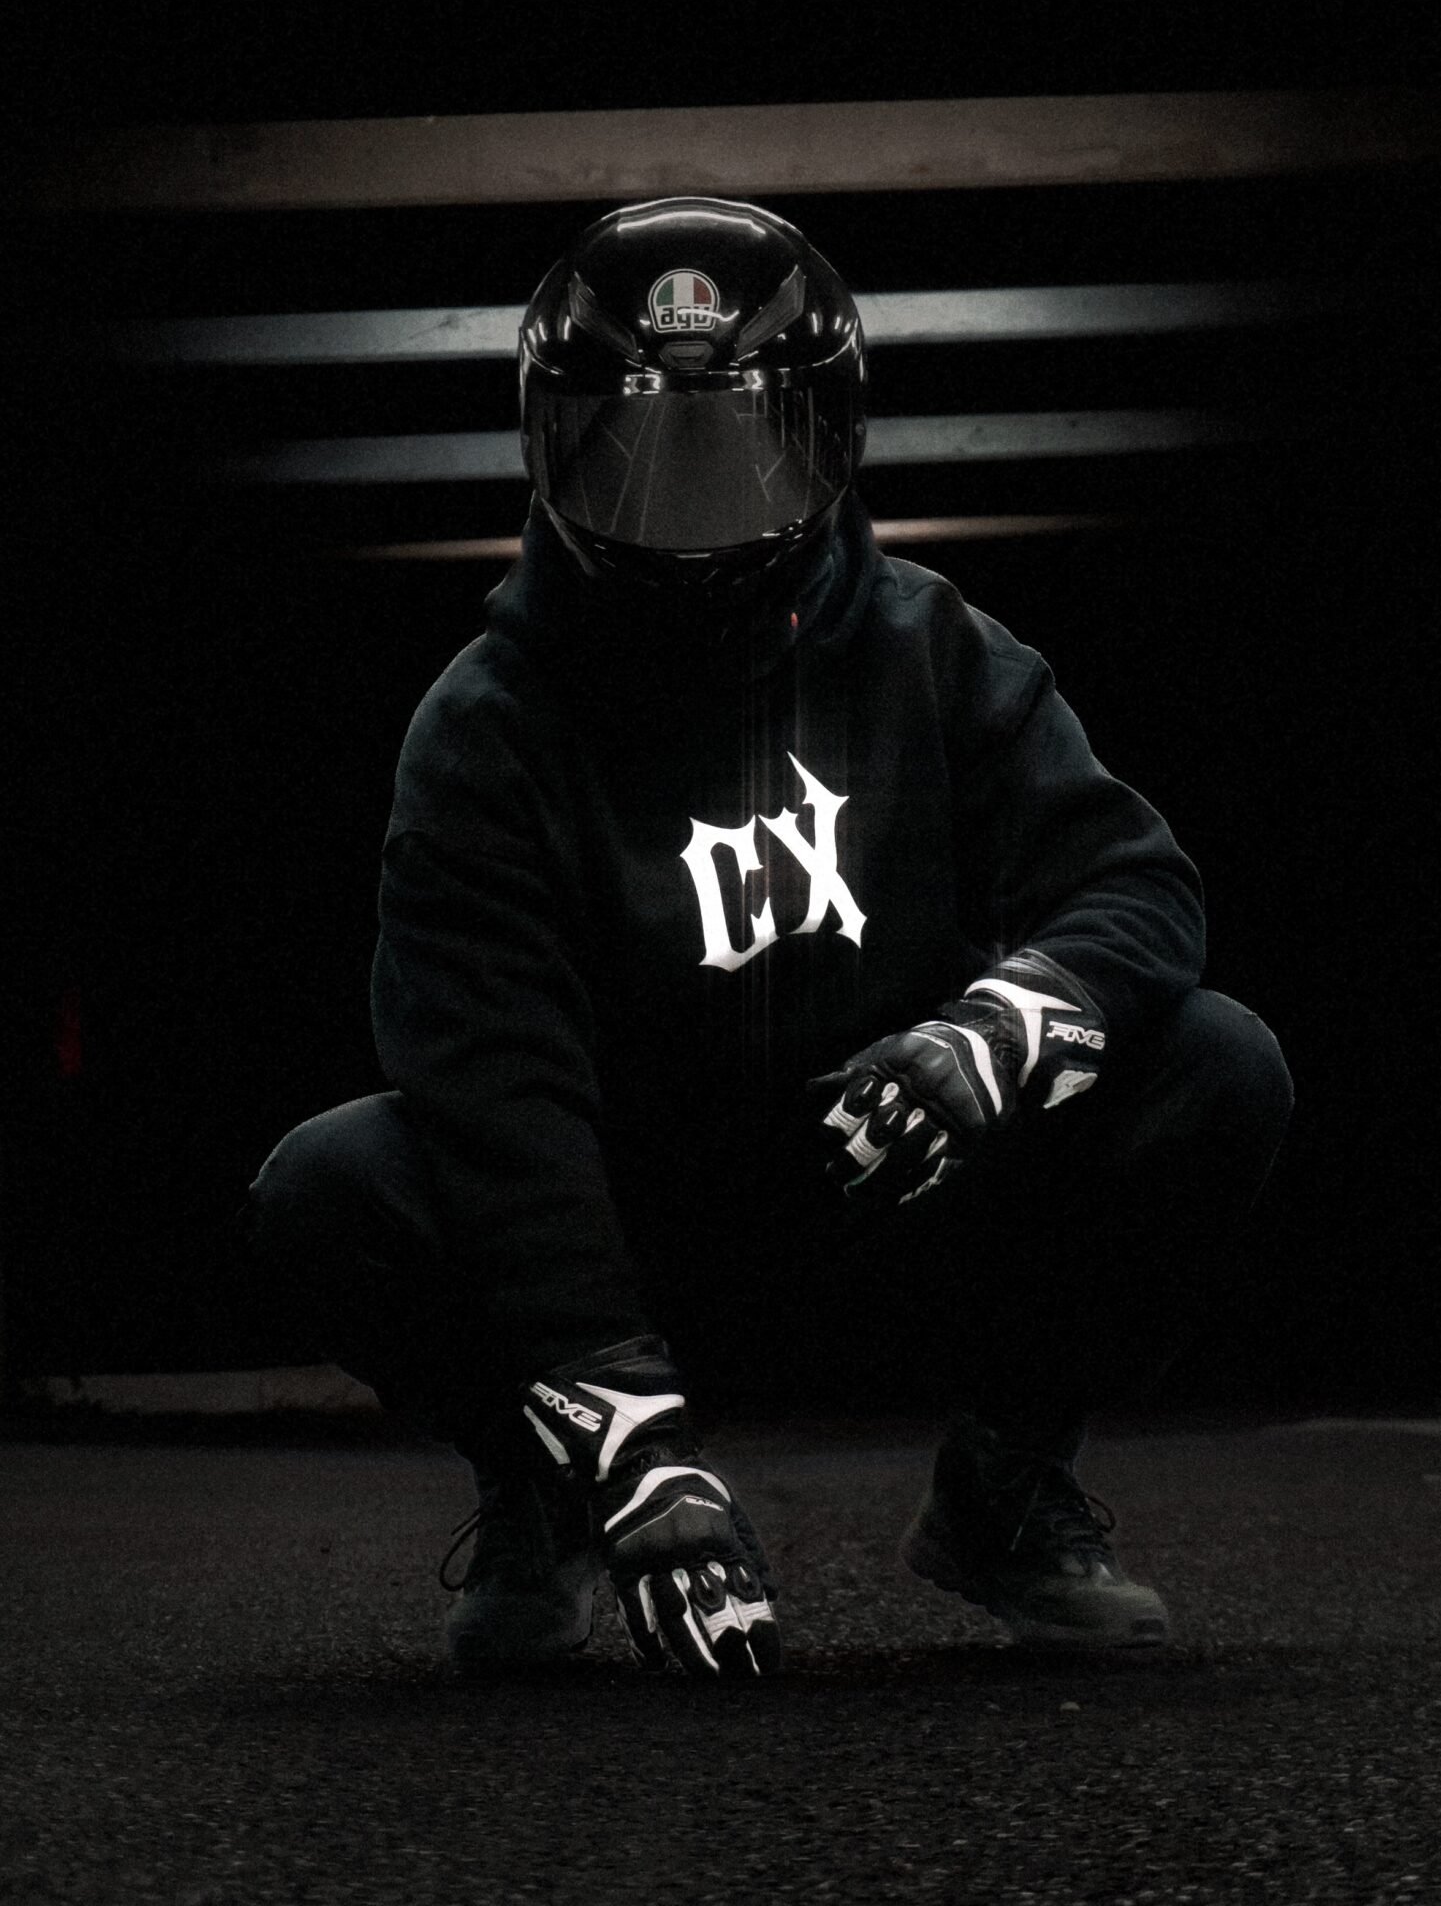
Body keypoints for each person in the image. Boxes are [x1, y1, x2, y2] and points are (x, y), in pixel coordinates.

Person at [242, 196, 1293, 1684]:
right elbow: (496, 1101)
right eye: (636, 449)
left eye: (743, 446)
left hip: (898, 1185)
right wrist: (624, 1435)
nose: (692, 510)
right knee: (332, 1185)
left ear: (833, 433)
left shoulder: (936, 648)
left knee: (1217, 1063)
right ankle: (551, 1495)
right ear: (549, 440)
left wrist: (999, 1034)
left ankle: (1002, 1489)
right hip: (640, 1228)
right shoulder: (487, 729)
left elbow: (1136, 888)